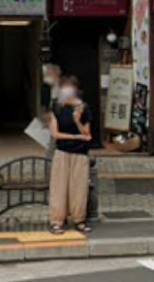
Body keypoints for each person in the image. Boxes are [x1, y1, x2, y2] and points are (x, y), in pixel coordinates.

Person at [48, 75, 92, 235]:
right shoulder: (57, 107)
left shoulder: (83, 108)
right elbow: (55, 134)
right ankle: (56, 221)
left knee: (79, 188)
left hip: (80, 153)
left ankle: (79, 220)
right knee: (59, 188)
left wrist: (78, 121)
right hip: (62, 152)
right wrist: (75, 137)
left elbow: (87, 133)